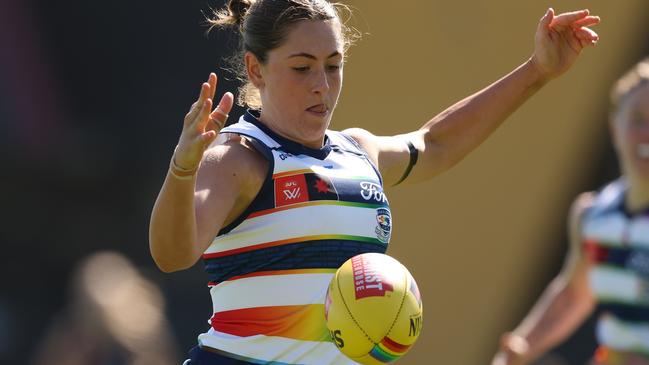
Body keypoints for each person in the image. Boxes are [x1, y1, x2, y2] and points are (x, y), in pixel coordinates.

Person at [148, 0, 600, 363]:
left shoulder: (357, 151)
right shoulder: (238, 156)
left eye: (333, 64)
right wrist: (182, 169)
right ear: (255, 69)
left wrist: (538, 69)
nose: (321, 85)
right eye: (302, 67)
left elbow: (435, 143)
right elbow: (172, 255)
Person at [491, 58, 649, 365]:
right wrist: (522, 348)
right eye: (638, 119)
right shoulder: (593, 216)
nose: (647, 134)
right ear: (614, 126)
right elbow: (574, 294)